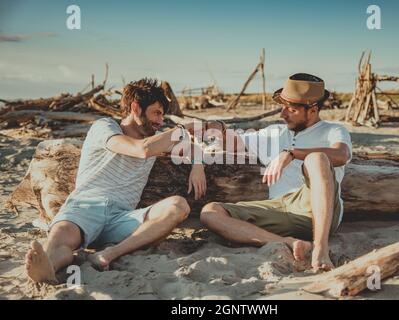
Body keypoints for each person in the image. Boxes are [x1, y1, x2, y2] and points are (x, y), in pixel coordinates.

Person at [25, 78, 207, 283]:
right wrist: (182, 129)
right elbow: (141, 149)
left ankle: (109, 254)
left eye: (162, 115)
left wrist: (198, 165)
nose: (160, 121)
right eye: (156, 112)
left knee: (178, 206)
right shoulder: (105, 127)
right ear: (136, 108)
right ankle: (48, 266)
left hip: (122, 217)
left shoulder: (154, 137)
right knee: (60, 238)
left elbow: (191, 147)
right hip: (85, 207)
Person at [200, 73, 352, 272]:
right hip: (279, 209)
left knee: (316, 159)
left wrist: (291, 154)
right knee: (210, 212)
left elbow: (342, 154)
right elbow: (230, 142)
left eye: (292, 109)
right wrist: (216, 128)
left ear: (313, 110)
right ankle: (288, 242)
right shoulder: (274, 133)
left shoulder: (333, 130)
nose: (283, 114)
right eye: (283, 107)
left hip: (317, 211)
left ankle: (321, 249)